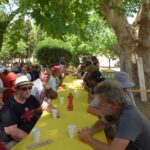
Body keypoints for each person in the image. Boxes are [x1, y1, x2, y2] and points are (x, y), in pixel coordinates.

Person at [78, 80, 150, 150]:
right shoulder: (117, 107)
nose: (99, 106)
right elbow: (103, 122)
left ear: (113, 104)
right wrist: (90, 131)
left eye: (101, 103)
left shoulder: (129, 117)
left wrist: (88, 140)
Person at [0, 76, 59, 149]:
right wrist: (32, 140)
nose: (28, 90)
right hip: (13, 140)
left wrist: (55, 111)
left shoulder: (31, 98)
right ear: (16, 90)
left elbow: (44, 105)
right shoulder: (9, 106)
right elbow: (13, 132)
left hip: (31, 131)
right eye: (24, 88)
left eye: (30, 87)